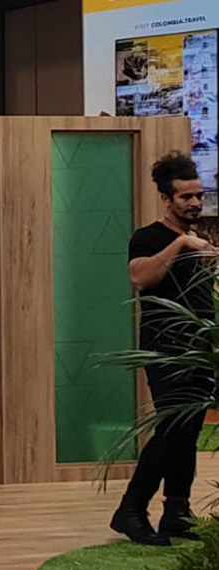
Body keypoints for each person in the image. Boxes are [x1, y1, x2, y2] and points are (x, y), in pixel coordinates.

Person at [117, 151, 215, 545]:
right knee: (171, 428)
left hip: (201, 348)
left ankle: (177, 510)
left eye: (198, 196)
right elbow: (140, 278)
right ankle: (131, 510)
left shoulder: (202, 241)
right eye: (185, 197)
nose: (194, 203)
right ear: (167, 199)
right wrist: (181, 246)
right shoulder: (149, 237)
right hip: (165, 350)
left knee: (188, 431)